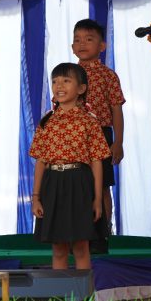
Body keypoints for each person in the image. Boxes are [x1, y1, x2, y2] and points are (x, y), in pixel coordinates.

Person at [31, 63, 110, 271]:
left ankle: (84, 292)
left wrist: (97, 199)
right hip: (53, 184)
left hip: (79, 183)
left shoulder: (89, 121)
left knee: (81, 246)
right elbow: (40, 161)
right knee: (59, 248)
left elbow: (96, 161)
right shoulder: (46, 122)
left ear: (81, 88)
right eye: (55, 81)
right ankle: (61, 293)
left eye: (66, 81)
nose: (59, 85)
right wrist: (36, 197)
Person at [71, 19, 124, 254]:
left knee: (101, 186)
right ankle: (76, 233)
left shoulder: (108, 75)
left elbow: (116, 110)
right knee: (76, 185)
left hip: (101, 134)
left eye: (89, 39)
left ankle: (103, 232)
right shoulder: (68, 74)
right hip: (73, 136)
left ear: (102, 46)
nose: (82, 44)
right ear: (72, 47)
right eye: (77, 40)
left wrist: (118, 142)